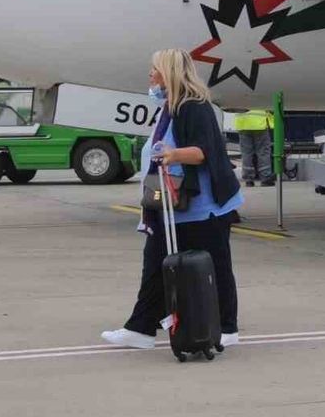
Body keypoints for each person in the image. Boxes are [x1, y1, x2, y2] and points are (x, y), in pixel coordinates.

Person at [102, 49, 243, 351]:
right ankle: (141, 329)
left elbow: (203, 151)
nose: (150, 75)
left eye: (155, 69)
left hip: (203, 207)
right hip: (171, 206)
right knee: (156, 265)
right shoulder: (170, 106)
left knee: (216, 267)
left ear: (168, 73)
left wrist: (173, 154)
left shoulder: (194, 107)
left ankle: (227, 327)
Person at [235, 108, 275, 187]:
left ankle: (248, 179)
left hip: (243, 124)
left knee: (246, 153)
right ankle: (265, 178)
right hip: (259, 124)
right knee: (263, 152)